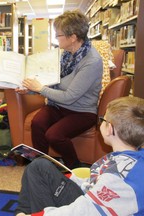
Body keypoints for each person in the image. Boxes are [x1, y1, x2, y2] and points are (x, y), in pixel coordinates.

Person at [15, 96, 144, 216]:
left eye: (103, 120)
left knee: (38, 168)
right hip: (91, 201)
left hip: (89, 209)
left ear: (109, 128)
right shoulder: (126, 159)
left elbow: (85, 210)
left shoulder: (120, 176)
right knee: (38, 167)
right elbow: (95, 185)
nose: (101, 123)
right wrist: (71, 178)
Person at [16, 10, 103, 169]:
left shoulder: (91, 62)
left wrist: (40, 88)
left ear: (73, 37)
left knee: (54, 135)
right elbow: (52, 82)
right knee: (37, 123)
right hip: (58, 105)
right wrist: (29, 90)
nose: (56, 39)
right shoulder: (66, 55)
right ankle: (41, 166)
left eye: (58, 35)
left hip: (82, 111)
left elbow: (70, 97)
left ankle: (74, 169)